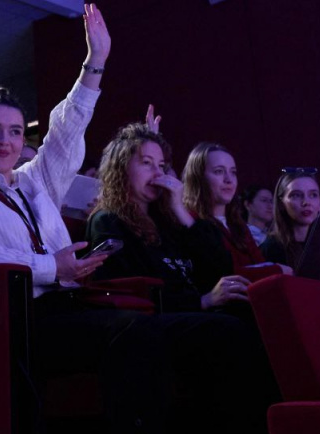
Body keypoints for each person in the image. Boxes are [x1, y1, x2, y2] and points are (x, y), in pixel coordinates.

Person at [0, 5, 266, 434]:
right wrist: (51, 267)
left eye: (15, 131)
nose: (6, 141)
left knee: (212, 330)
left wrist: (95, 62)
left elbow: (66, 131)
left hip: (74, 305)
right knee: (133, 328)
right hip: (23, 318)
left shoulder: (34, 182)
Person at [87, 123, 248, 313]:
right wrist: (201, 301)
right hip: (164, 321)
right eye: (147, 163)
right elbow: (130, 292)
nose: (158, 173)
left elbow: (221, 267)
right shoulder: (108, 221)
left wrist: (179, 209)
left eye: (161, 166)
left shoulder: (166, 220)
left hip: (197, 314)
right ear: (122, 168)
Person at [181, 142, 266, 270]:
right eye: (219, 171)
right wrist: (277, 269)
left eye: (233, 172)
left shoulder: (238, 225)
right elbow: (222, 273)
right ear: (198, 178)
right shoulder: (190, 221)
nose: (229, 180)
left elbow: (260, 265)